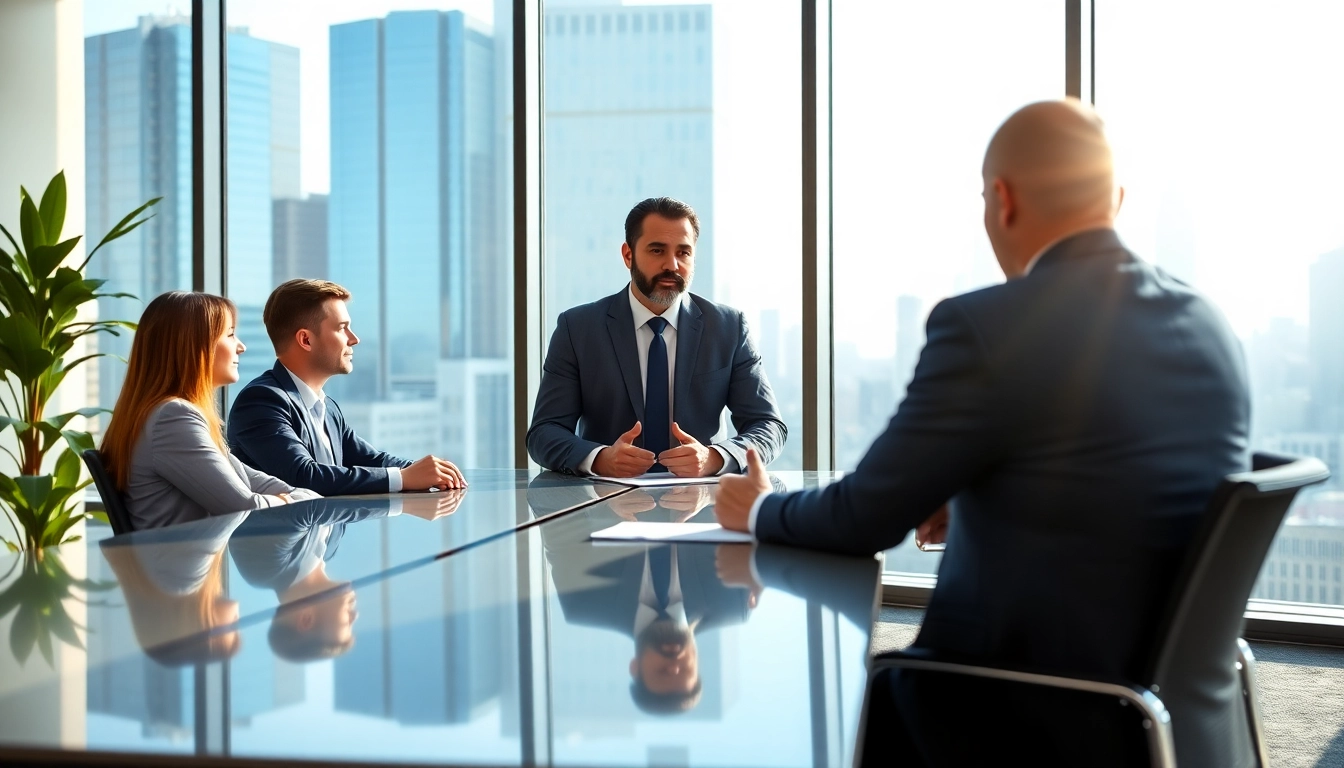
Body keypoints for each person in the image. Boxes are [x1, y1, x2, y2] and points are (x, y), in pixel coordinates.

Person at [716, 100, 1252, 767]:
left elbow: (863, 516)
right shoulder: (1211, 326)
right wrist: (980, 495)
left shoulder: (989, 325)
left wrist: (758, 507)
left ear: (1002, 199)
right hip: (1171, 714)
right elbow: (1122, 481)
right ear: (1115, 197)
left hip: (1018, 713)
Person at [527, 197, 787, 478]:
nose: (671, 265)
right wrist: (600, 459)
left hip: (700, 505)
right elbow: (544, 432)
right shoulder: (577, 329)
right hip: (602, 502)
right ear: (628, 255)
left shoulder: (728, 328)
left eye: (684, 253)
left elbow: (768, 426)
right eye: (657, 250)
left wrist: (713, 458)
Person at [101, 292, 322, 530]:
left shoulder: (168, 415)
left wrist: (293, 496)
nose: (241, 347)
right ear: (194, 347)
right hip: (178, 566)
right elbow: (246, 508)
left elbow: (253, 482)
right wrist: (293, 499)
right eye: (230, 334)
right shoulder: (173, 419)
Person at [228, 279, 465, 495]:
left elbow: (371, 460)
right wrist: (403, 478)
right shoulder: (261, 401)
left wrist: (427, 471)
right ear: (306, 340)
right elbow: (304, 476)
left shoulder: (327, 407)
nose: (354, 339)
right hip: (281, 540)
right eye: (342, 328)